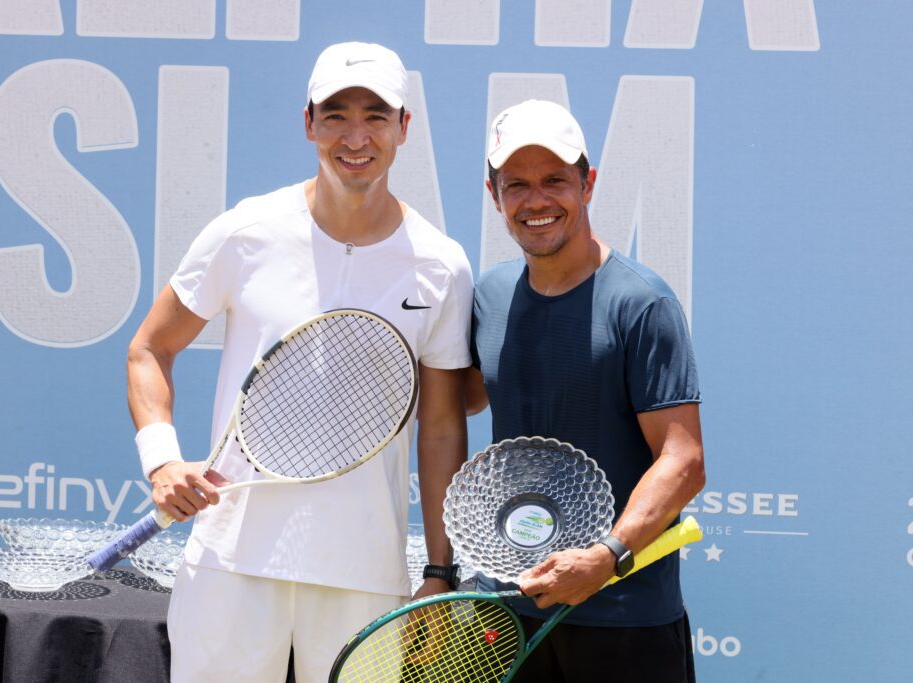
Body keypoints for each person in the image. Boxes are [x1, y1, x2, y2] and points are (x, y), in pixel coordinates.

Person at [127, 42, 472, 682]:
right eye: (336, 114)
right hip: (231, 560)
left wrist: (440, 571)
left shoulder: (440, 264)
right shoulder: (245, 231)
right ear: (309, 122)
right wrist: (163, 460)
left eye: (376, 114)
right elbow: (150, 347)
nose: (356, 135)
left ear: (404, 128)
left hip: (363, 574)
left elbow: (444, 427)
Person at [467, 99, 706, 682]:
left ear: (588, 184)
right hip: (506, 609)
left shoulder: (642, 303)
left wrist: (606, 558)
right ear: (494, 193)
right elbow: (456, 407)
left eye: (555, 180)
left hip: (623, 616)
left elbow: (684, 461)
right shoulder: (488, 295)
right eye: (516, 184)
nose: (536, 200)